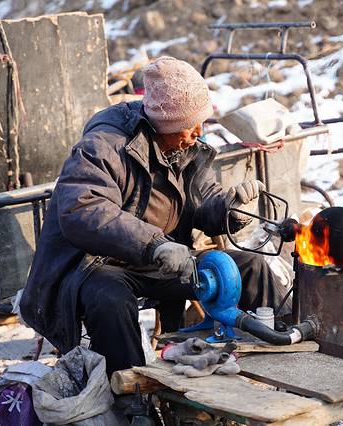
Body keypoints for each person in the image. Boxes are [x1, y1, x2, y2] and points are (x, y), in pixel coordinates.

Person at [20, 56, 289, 375]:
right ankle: (130, 389)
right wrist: (155, 245)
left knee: (250, 268)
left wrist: (232, 210)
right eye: (189, 125)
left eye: (201, 122)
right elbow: (83, 210)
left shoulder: (185, 147)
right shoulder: (104, 146)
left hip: (163, 261)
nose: (198, 133)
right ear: (163, 124)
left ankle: (287, 357)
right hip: (97, 265)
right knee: (110, 299)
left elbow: (205, 204)